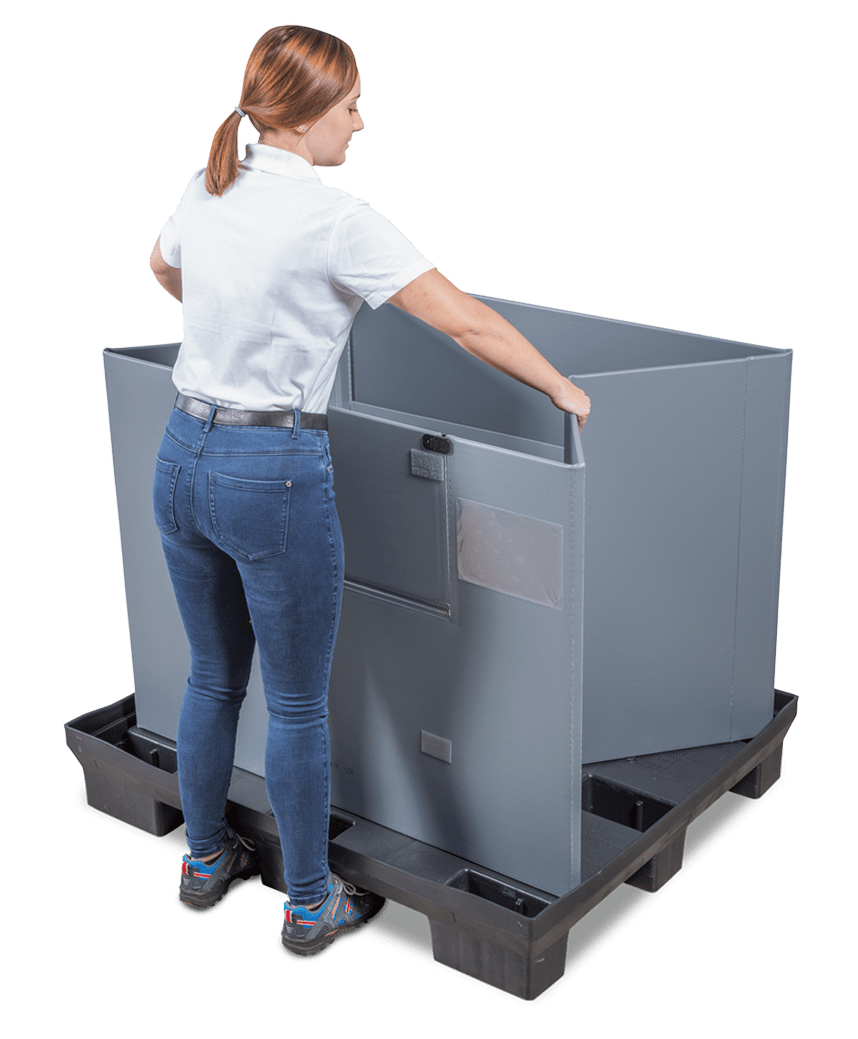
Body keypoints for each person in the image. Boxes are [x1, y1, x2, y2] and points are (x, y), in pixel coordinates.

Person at [148, 23, 591, 959]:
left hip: (182, 452)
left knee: (212, 674)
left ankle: (202, 862)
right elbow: (464, 322)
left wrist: (235, 309)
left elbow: (163, 268)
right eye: (351, 106)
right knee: (299, 704)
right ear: (307, 116)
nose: (361, 122)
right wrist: (560, 386)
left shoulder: (210, 185)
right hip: (270, 472)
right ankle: (309, 905)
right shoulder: (337, 220)